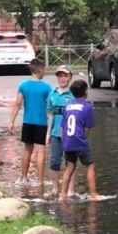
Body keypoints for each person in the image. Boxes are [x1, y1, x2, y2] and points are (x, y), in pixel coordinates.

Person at [9, 58, 52, 195]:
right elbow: (51, 106)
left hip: (27, 122)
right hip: (41, 122)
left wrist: (11, 121)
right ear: (40, 70)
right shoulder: (46, 87)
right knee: (40, 151)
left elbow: (17, 104)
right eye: (44, 69)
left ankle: (24, 177)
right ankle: (40, 181)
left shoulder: (23, 85)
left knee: (27, 150)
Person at [60, 79, 101, 200]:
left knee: (70, 167)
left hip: (67, 141)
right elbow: (87, 128)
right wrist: (84, 140)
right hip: (79, 140)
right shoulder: (87, 107)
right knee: (90, 165)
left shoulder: (68, 106)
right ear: (86, 93)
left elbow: (63, 126)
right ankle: (93, 194)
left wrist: (64, 142)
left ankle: (62, 195)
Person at [46, 65, 75, 198]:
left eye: (65, 76)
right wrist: (48, 133)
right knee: (54, 160)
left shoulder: (74, 94)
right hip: (56, 134)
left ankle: (70, 189)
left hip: (70, 134)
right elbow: (50, 114)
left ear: (70, 77)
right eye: (60, 76)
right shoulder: (52, 94)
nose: (62, 79)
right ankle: (55, 188)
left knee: (70, 161)